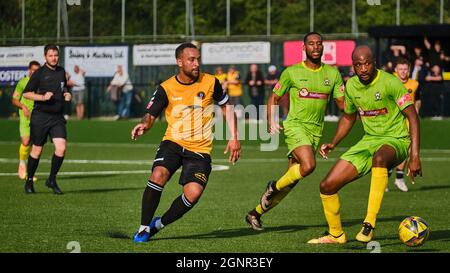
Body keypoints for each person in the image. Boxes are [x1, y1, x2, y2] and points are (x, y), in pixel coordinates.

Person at [307, 45, 422, 244]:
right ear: (353, 66)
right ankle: (336, 235)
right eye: (359, 65)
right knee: (327, 186)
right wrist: (334, 142)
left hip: (396, 140)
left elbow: (413, 117)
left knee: (379, 158)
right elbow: (349, 117)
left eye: (367, 63)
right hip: (368, 141)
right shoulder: (351, 86)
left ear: (374, 63)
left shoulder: (390, 82)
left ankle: (369, 224)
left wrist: (414, 156)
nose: (363, 68)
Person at [131, 43, 241, 243]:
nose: (196, 63)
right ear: (179, 62)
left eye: (198, 59)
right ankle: (143, 227)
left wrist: (234, 136)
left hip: (199, 149)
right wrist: (143, 125)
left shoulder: (211, 82)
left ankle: (158, 224)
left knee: (193, 193)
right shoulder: (166, 87)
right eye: (191, 59)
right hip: (173, 142)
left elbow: (226, 107)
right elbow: (150, 114)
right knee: (158, 175)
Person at [245, 32, 345, 231]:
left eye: (319, 44)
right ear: (304, 48)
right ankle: (272, 188)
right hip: (295, 126)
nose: (316, 47)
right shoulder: (291, 72)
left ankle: (255, 213)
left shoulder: (333, 74)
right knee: (308, 166)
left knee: (291, 179)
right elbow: (274, 97)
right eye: (311, 44)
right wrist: (270, 121)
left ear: (323, 47)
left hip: (316, 131)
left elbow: (343, 105)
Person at [22, 44, 72, 195]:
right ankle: (29, 181)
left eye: (56, 55)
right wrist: (42, 97)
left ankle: (51, 179)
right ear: (45, 57)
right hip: (40, 117)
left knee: (61, 148)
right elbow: (26, 94)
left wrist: (66, 94)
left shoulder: (62, 71)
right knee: (37, 149)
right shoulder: (39, 73)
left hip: (57, 117)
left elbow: (63, 88)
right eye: (50, 55)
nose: (54, 58)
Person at [387, 57, 421, 192]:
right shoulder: (390, 82)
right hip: (392, 122)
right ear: (395, 70)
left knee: (405, 152)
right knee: (389, 151)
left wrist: (417, 108)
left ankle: (399, 178)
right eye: (400, 69)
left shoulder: (415, 84)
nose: (403, 72)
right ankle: (384, 179)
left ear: (409, 70)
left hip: (408, 122)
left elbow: (418, 98)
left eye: (405, 69)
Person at [11, 60, 41, 180]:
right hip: (25, 116)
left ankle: (30, 173)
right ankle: (22, 162)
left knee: (36, 146)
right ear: (29, 70)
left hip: (38, 117)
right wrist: (23, 107)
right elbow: (14, 100)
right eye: (32, 70)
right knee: (25, 141)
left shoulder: (41, 83)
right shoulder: (22, 83)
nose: (34, 72)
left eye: (36, 70)